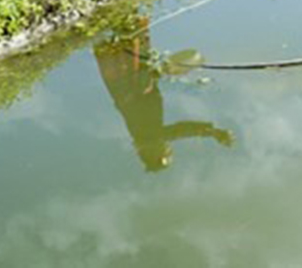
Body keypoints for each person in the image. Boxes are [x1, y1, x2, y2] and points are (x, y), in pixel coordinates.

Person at [94, 17, 234, 172]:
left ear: (156, 154)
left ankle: (123, 21)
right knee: (123, 40)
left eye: (167, 151)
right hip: (129, 84)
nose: (168, 147)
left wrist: (211, 132)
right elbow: (178, 131)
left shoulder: (150, 138)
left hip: (132, 83)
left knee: (132, 38)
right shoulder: (144, 139)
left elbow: (180, 130)